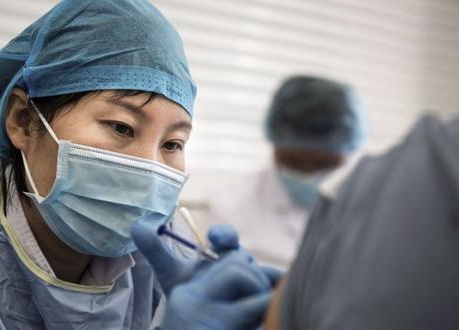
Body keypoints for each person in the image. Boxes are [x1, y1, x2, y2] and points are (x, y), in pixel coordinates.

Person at [0, 0, 222, 328]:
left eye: (172, 144)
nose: (149, 172)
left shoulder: (166, 260)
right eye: (121, 127)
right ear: (24, 120)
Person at [133, 114, 459, 329]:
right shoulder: (416, 170)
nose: (306, 172)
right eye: (121, 127)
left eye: (173, 144)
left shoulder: (421, 177)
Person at [206, 75, 366, 268]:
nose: (308, 174)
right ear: (274, 145)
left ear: (348, 153)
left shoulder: (372, 206)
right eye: (294, 161)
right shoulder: (229, 201)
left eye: (323, 164)